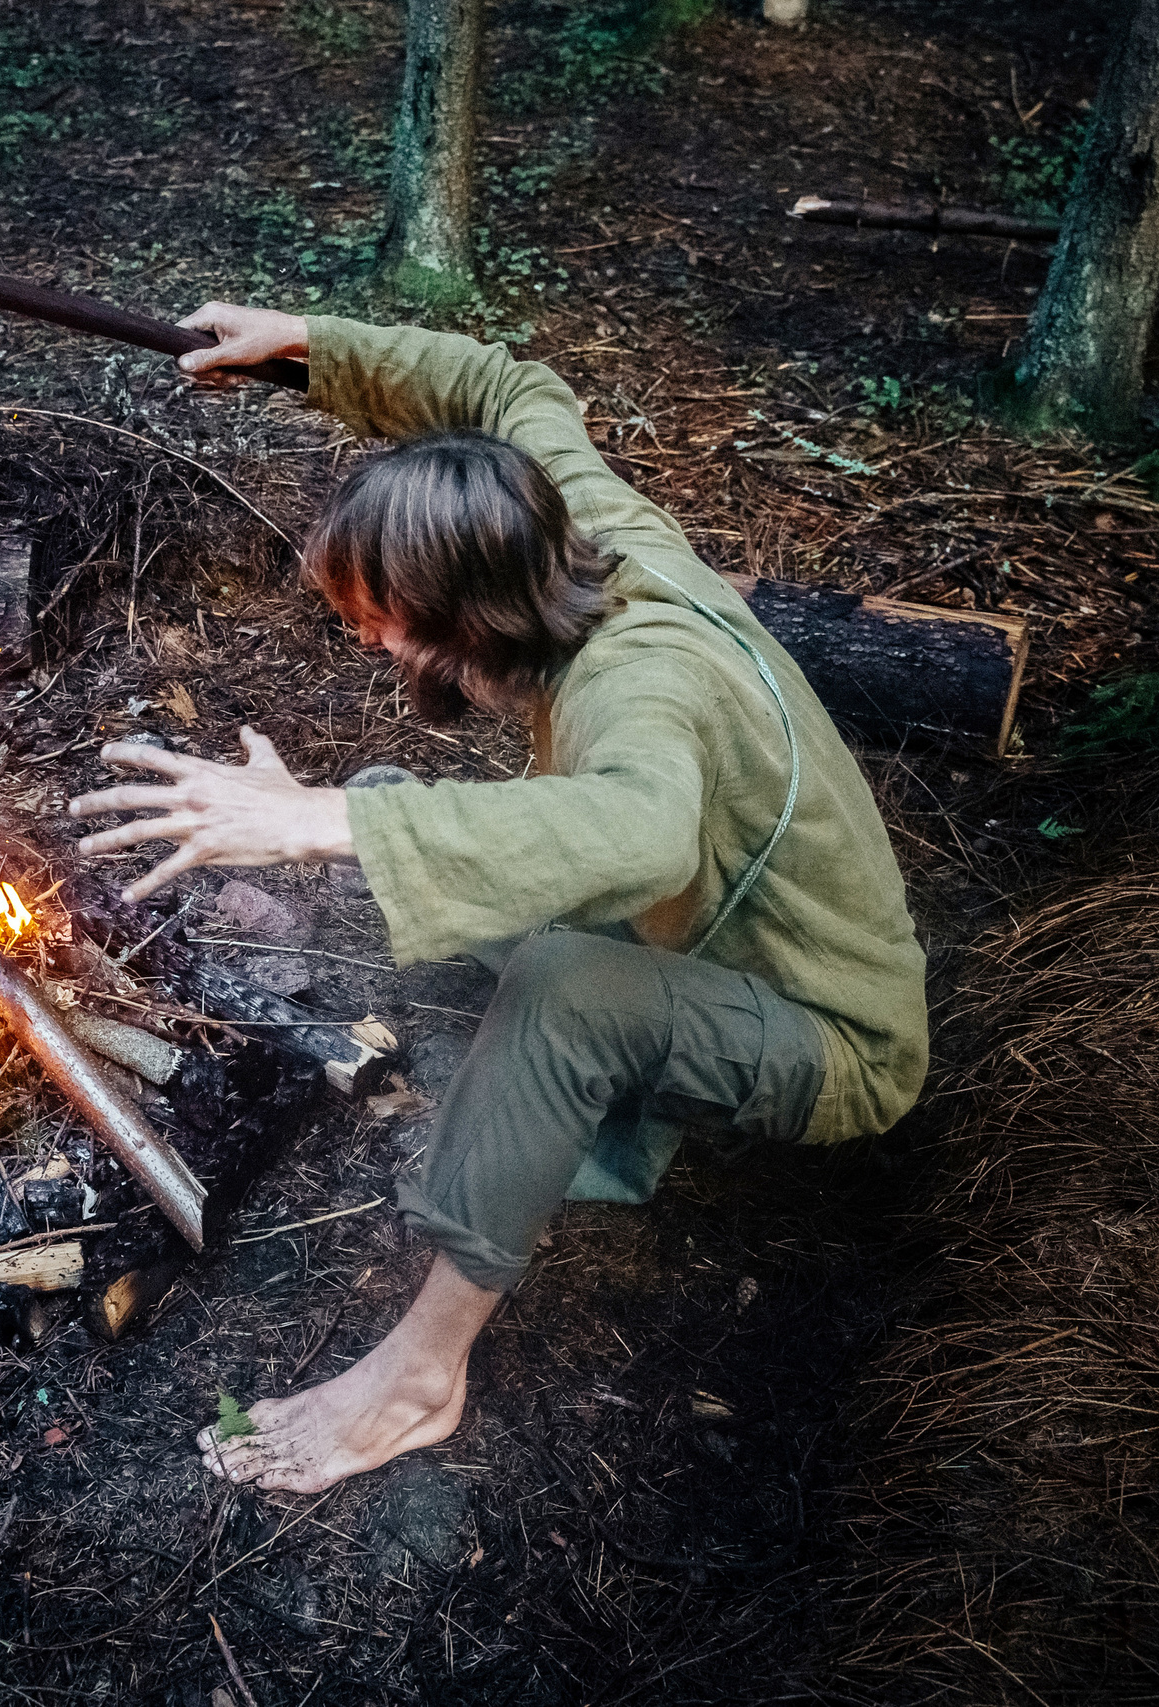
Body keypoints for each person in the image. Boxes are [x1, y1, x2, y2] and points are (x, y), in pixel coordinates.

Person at [66, 306, 928, 1494]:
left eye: (378, 619)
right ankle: (470, 933)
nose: (367, 642)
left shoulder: (640, 685)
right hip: (699, 933)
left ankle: (421, 1375)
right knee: (392, 804)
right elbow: (508, 384)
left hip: (829, 1034)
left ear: (468, 612)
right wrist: (310, 343)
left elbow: (641, 829)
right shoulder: (575, 525)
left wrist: (328, 820)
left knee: (561, 985)